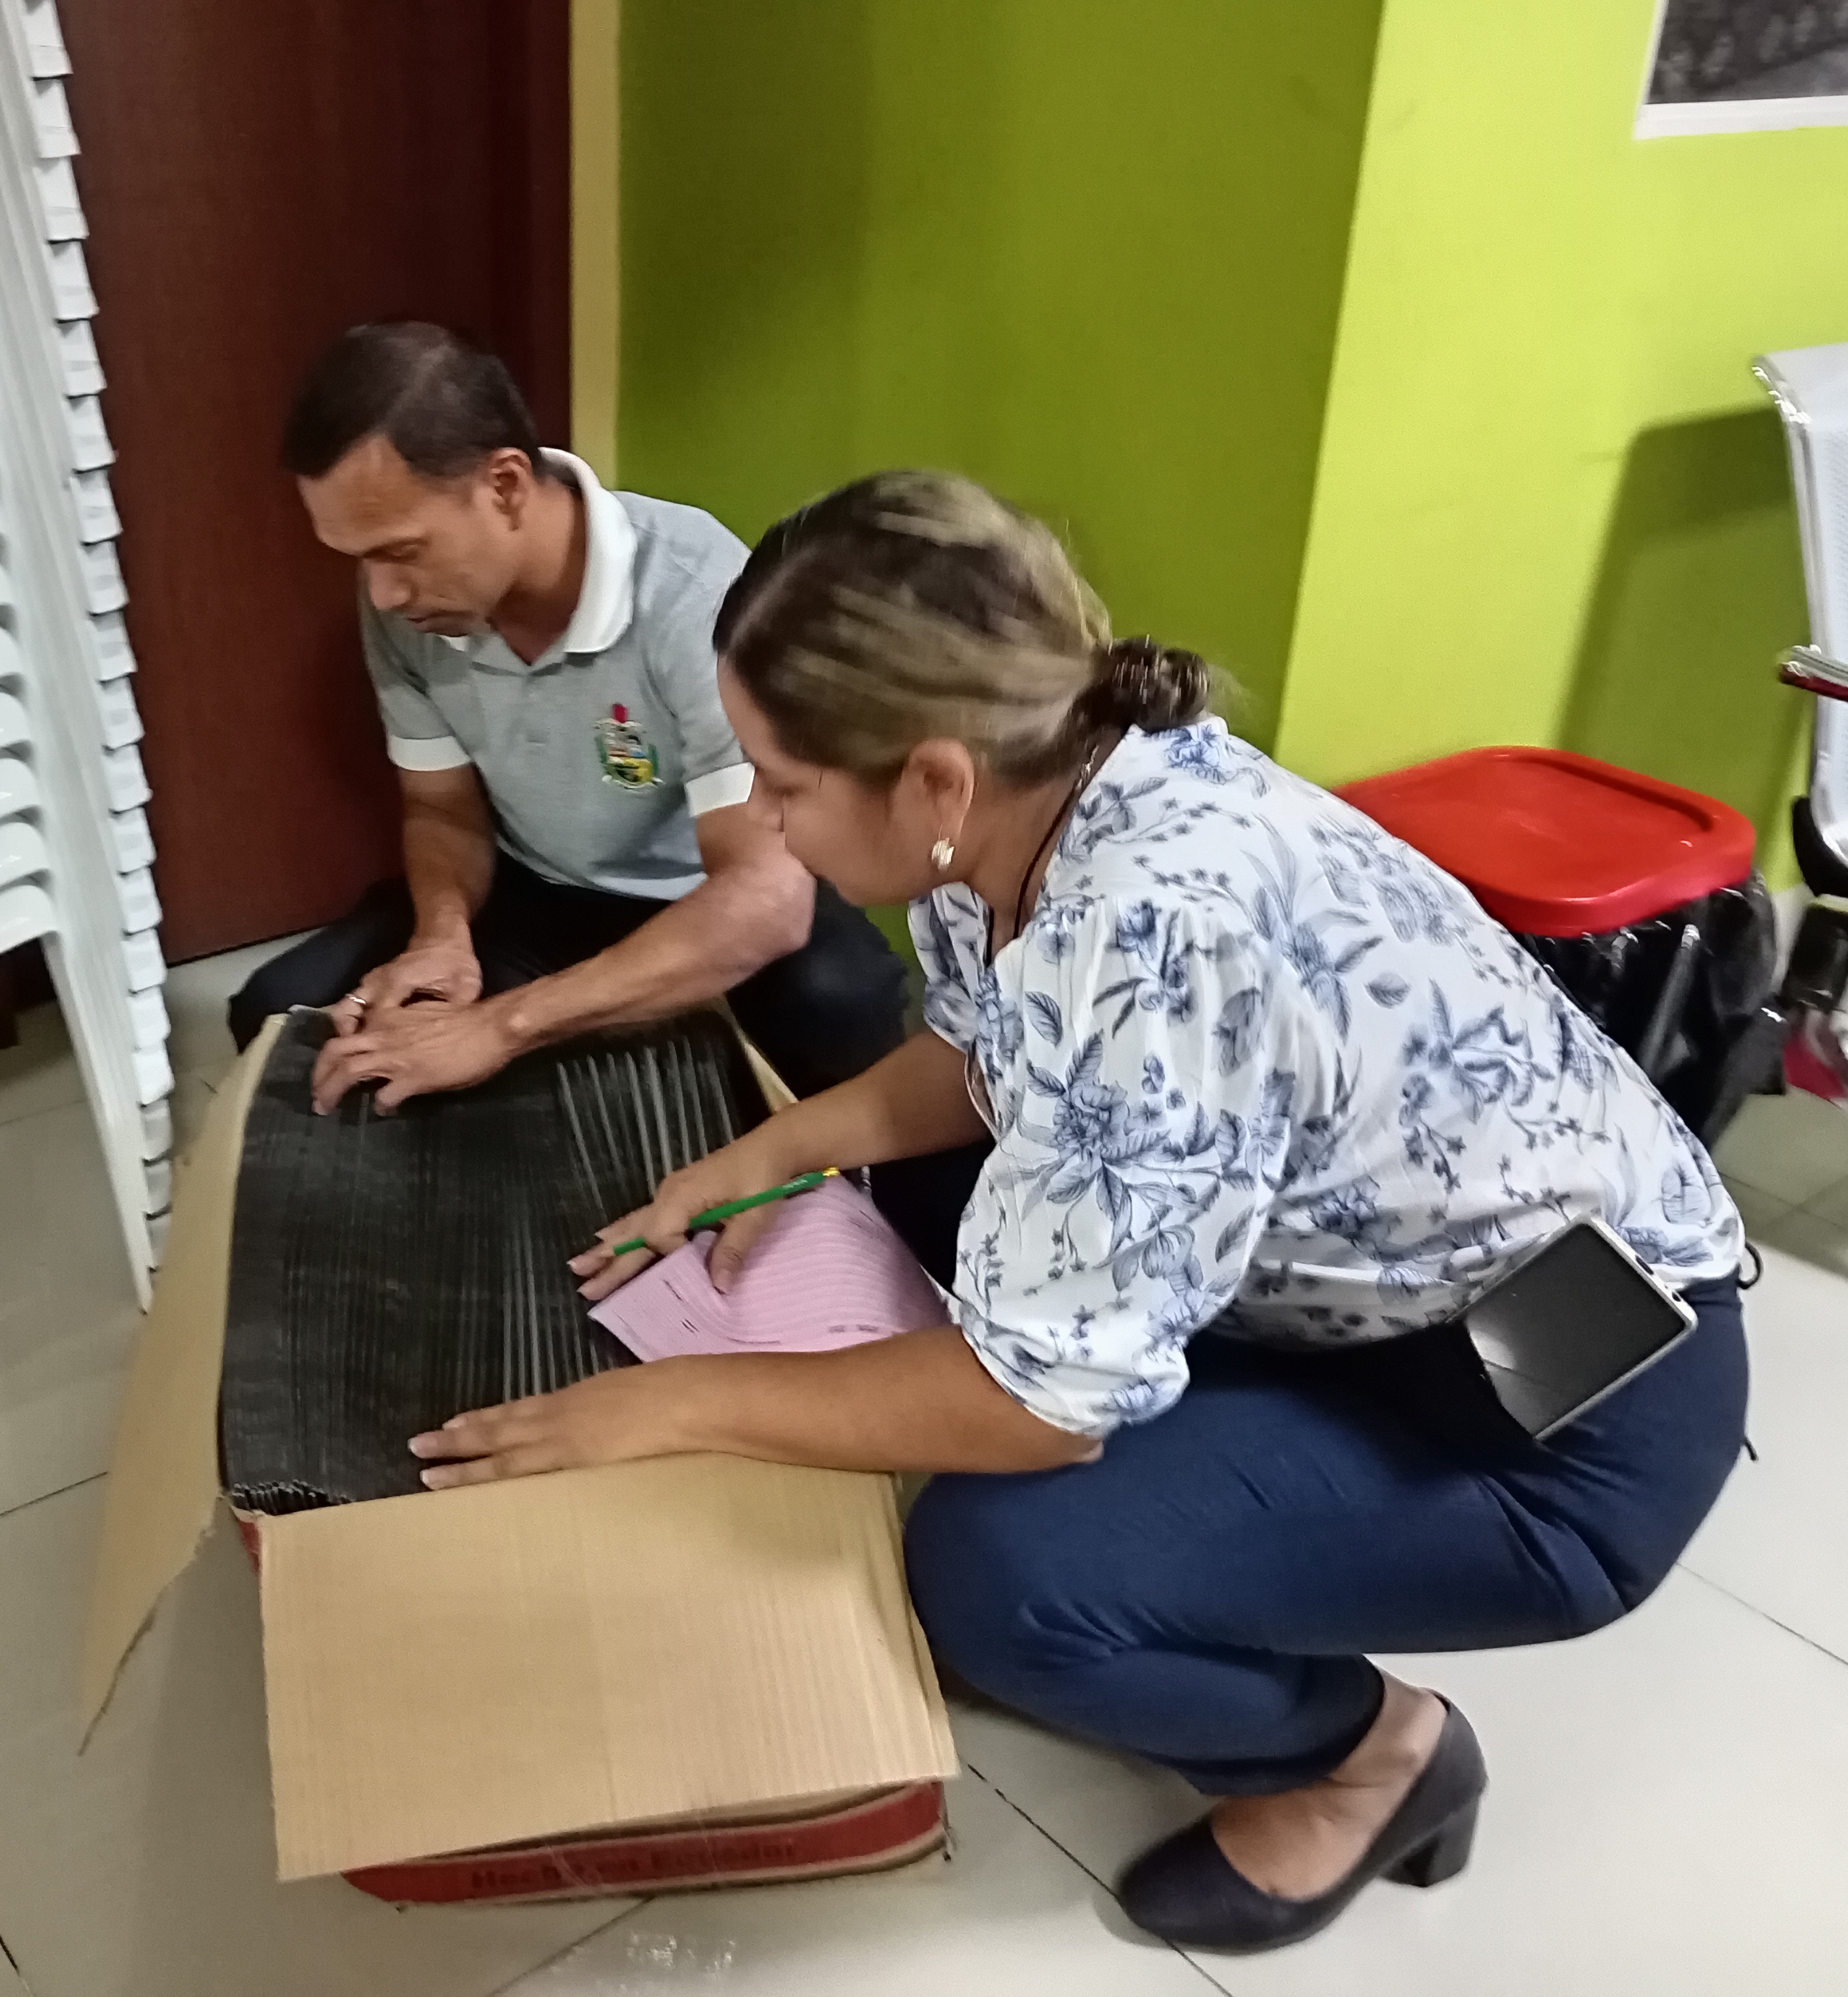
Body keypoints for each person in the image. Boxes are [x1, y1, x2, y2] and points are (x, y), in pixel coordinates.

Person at [403, 471, 1748, 1955]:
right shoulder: (1035, 791)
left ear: (930, 781)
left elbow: (1037, 1408)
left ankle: (1370, 1756)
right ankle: (1194, 1524)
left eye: (780, 785)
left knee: (1000, 1573)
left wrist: (672, 1407)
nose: (762, 822)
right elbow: (994, 1062)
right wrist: (779, 1148)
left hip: (1550, 1412)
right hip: (1373, 1282)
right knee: (919, 1186)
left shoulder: (1147, 932)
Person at [229, 322, 908, 1114]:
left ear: (505, 486)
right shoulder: (410, 609)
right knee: (282, 1012)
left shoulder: (696, 594)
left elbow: (764, 894)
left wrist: (502, 1026)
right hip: (535, 887)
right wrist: (443, 935)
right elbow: (441, 808)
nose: (381, 594)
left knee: (841, 999)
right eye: (361, 559)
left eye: (402, 552)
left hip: (701, 889)